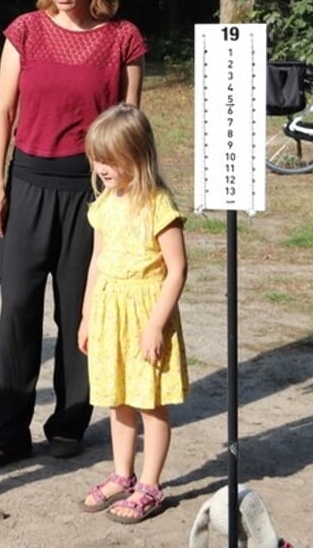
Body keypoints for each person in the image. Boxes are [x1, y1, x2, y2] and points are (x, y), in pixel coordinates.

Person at [0, 0, 146, 472]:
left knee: (79, 312)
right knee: (18, 308)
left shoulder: (124, 39)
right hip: (28, 184)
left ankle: (68, 424)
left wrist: (129, 199)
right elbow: (3, 112)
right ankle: (8, 434)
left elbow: (130, 125)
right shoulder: (25, 32)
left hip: (92, 191)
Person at [76, 104, 188, 525]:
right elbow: (96, 261)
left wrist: (156, 324)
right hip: (109, 311)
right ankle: (122, 475)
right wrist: (87, 316)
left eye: (110, 159)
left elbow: (177, 268)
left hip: (144, 315)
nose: (101, 167)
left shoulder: (159, 205)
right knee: (117, 396)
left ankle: (150, 484)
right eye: (96, 158)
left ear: (137, 156)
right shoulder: (105, 202)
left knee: (149, 402)